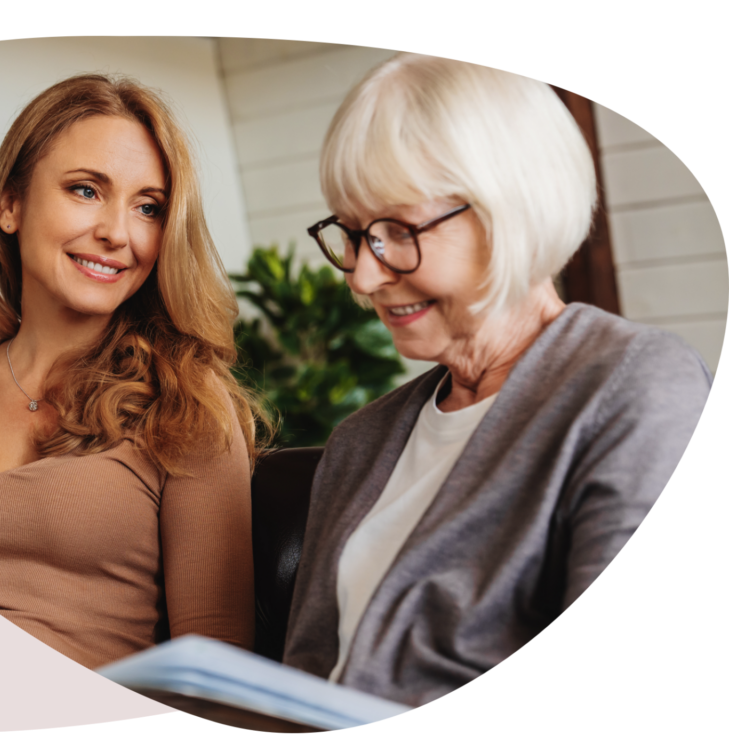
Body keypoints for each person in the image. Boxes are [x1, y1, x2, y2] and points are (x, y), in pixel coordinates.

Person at [283, 52, 713, 703]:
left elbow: (658, 680)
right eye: (351, 234)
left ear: (509, 207)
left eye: (398, 230)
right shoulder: (360, 442)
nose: (365, 278)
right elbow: (309, 671)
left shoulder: (631, 385)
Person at [0, 74, 268, 670]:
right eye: (85, 190)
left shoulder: (188, 407)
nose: (117, 233)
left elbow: (215, 670)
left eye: (148, 208)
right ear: (10, 205)